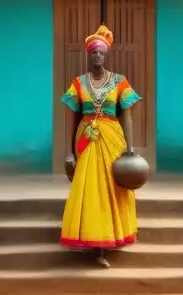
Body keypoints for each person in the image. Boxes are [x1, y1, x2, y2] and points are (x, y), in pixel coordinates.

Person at [59, 24, 141, 268]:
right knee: (90, 190)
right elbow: (73, 118)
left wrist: (130, 148)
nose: (98, 56)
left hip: (112, 139)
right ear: (89, 54)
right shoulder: (78, 84)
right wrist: (69, 151)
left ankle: (112, 236)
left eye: (101, 53)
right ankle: (95, 244)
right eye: (94, 52)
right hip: (86, 139)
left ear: (106, 56)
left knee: (112, 188)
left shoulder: (119, 82)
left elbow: (126, 115)